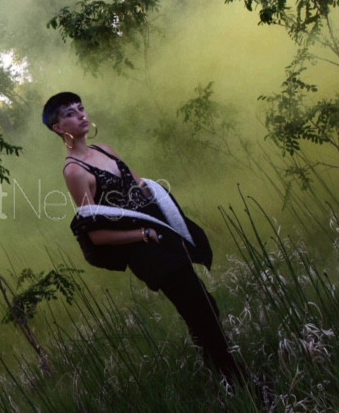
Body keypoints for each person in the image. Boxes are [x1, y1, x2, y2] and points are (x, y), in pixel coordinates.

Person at [42, 91, 247, 387]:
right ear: (58, 128)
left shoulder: (105, 149)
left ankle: (218, 372)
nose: (81, 114)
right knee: (200, 308)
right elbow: (96, 234)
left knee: (203, 305)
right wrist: (143, 234)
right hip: (144, 251)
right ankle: (239, 382)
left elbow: (142, 186)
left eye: (81, 107)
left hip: (163, 234)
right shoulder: (74, 171)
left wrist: (171, 218)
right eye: (70, 114)